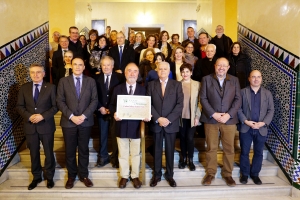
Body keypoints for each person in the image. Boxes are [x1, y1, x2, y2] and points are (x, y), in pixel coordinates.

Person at [56, 57, 98, 189]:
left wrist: (84, 115)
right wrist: (72, 116)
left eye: (80, 65)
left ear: (84, 67)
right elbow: (60, 101)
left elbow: (94, 100)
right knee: (69, 150)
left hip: (85, 122)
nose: (78, 67)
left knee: (84, 149)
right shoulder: (63, 81)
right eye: (75, 64)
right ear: (71, 66)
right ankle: (71, 176)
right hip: (69, 122)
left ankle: (84, 175)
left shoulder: (91, 81)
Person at [200, 57, 241, 187]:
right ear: (215, 66)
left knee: (229, 149)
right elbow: (203, 98)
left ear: (228, 67)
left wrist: (228, 115)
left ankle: (227, 174)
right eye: (219, 65)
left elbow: (238, 99)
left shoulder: (234, 80)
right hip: (211, 119)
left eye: (224, 66)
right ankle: (211, 173)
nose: (221, 68)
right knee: (211, 147)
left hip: (229, 120)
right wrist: (214, 114)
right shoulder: (206, 79)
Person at [16, 63, 58, 190]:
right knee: (34, 153)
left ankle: (49, 177)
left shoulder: (51, 87)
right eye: (33, 72)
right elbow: (19, 106)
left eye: (38, 72)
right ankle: (36, 177)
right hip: (30, 126)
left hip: (46, 126)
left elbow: (55, 106)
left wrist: (42, 116)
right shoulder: (24, 88)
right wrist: (29, 116)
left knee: (48, 153)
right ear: (30, 74)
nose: (35, 75)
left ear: (43, 74)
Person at [109, 63, 148, 189]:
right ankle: (124, 176)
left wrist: (147, 115)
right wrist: (114, 113)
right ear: (125, 73)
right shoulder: (117, 88)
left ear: (138, 74)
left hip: (136, 126)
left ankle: (135, 176)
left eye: (135, 71)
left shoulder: (143, 90)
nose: (132, 74)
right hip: (121, 125)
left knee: (136, 153)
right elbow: (111, 105)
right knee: (123, 153)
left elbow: (146, 106)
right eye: (129, 71)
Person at [147, 61, 184, 188]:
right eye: (160, 69)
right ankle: (156, 175)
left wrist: (168, 119)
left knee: (170, 150)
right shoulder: (151, 85)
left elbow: (180, 104)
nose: (162, 71)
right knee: (157, 150)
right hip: (157, 123)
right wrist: (158, 118)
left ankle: (170, 175)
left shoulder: (177, 85)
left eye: (165, 69)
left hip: (170, 123)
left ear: (169, 71)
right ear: (157, 70)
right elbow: (148, 103)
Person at [238, 70, 274, 185]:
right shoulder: (242, 92)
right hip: (246, 127)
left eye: (258, 77)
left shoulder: (267, 94)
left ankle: (255, 174)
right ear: (249, 78)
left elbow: (271, 110)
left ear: (261, 79)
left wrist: (263, 123)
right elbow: (238, 109)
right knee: (244, 151)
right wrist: (246, 121)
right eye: (253, 77)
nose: (256, 79)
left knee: (258, 152)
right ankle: (244, 174)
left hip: (261, 128)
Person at [95, 56, 123, 168]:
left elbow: (122, 93)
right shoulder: (95, 78)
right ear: (101, 66)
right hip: (101, 111)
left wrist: (113, 109)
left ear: (112, 66)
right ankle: (103, 157)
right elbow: (93, 95)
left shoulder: (120, 78)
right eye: (103, 65)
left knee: (116, 135)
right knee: (103, 135)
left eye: (108, 65)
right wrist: (100, 107)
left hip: (115, 112)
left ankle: (115, 158)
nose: (106, 67)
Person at [178, 63, 201, 171]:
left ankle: (191, 160)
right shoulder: (177, 84)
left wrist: (197, 116)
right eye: (183, 72)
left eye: (187, 71)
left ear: (191, 73)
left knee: (190, 138)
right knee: (182, 138)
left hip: (192, 117)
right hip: (180, 117)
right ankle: (183, 159)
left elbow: (200, 102)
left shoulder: (197, 84)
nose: (185, 74)